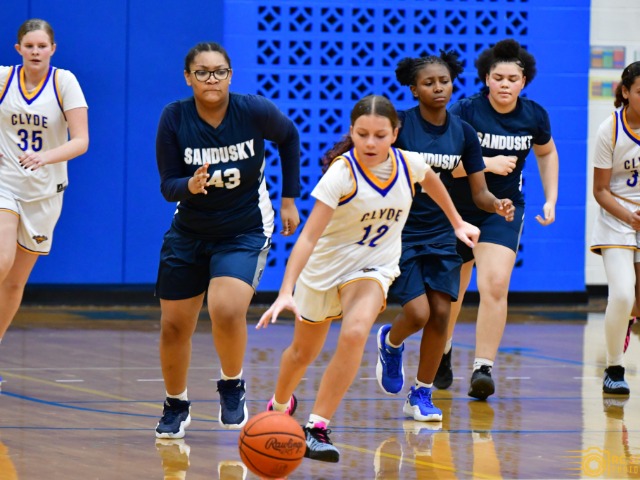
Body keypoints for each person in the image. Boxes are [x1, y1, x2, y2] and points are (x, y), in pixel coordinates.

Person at [256, 94, 480, 463]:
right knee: (301, 354)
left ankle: (317, 427)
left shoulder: (409, 164)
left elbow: (433, 182)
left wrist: (457, 223)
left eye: (379, 135)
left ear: (395, 133)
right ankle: (280, 404)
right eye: (362, 135)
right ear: (352, 132)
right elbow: (308, 237)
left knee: (356, 331)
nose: (371, 143)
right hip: (325, 270)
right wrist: (285, 291)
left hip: (374, 268)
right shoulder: (341, 173)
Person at [154, 41, 300, 438]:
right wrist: (189, 185)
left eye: (219, 71)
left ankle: (232, 384)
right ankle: (176, 403)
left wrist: (289, 199)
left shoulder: (253, 110)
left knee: (227, 308)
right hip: (189, 231)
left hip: (244, 229)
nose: (211, 79)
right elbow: (168, 185)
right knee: (174, 326)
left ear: (230, 75)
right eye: (202, 72)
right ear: (188, 77)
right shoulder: (174, 117)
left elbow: (289, 137)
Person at [374, 51, 514, 421]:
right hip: (401, 232)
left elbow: (479, 192)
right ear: (414, 89)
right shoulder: (400, 125)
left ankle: (420, 394)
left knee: (440, 314)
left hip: (441, 233)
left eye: (444, 81)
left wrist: (497, 204)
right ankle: (391, 342)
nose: (438, 88)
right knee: (418, 313)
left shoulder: (462, 132)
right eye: (429, 83)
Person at [437, 38, 559, 399]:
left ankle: (483, 368)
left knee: (494, 284)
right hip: (459, 210)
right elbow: (444, 165)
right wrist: (487, 163)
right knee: (452, 293)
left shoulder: (534, 116)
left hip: (502, 210)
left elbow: (546, 153)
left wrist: (551, 199)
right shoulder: (465, 111)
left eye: (512, 79)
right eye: (499, 78)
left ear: (524, 82)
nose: (505, 84)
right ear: (486, 79)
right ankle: (442, 351)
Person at [0, 19, 89, 367]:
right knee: (1, 261)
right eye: (29, 46)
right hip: (5, 183)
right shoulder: (4, 78)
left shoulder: (64, 82)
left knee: (14, 283)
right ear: (18, 49)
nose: (35, 52)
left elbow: (81, 141)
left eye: (41, 46)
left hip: (45, 192)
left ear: (53, 49)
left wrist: (45, 157)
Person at [589, 61, 640, 396]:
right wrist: (631, 217)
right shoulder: (609, 130)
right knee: (622, 294)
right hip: (618, 217)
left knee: (634, 302)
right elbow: (600, 190)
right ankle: (614, 368)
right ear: (626, 92)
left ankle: (628, 317)